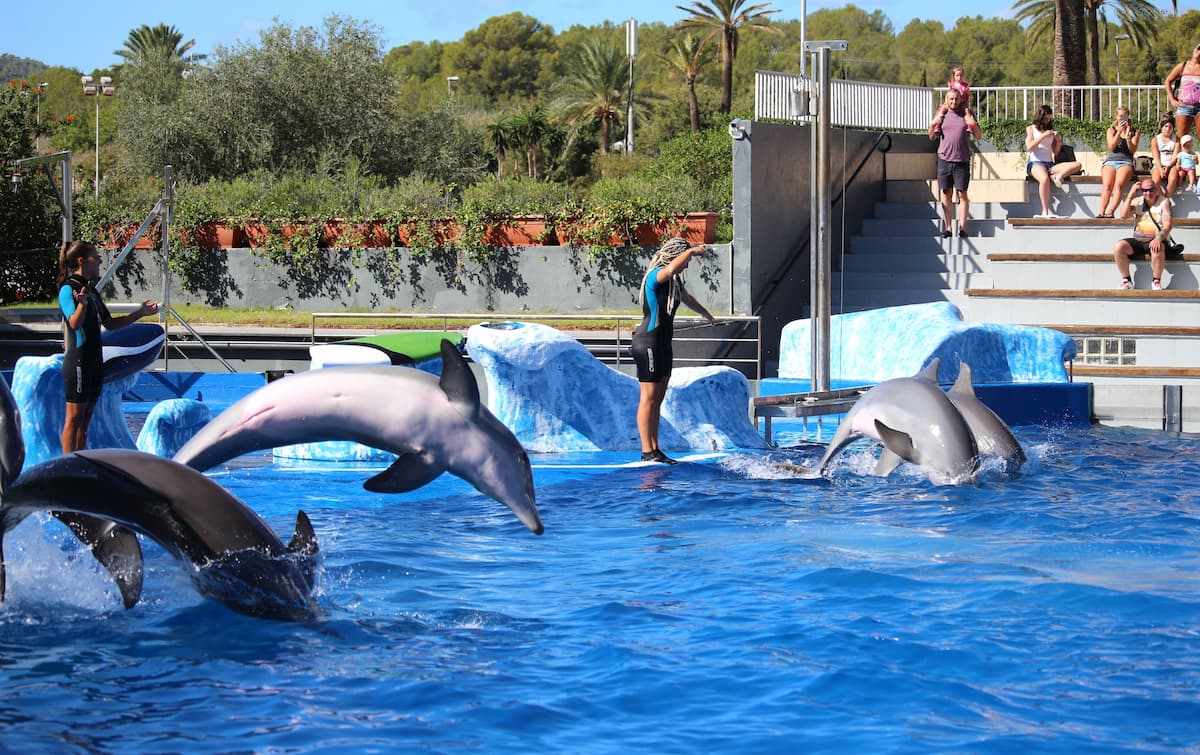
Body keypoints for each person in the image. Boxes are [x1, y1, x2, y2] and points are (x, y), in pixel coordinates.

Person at [57, 240, 159, 454]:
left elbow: (110, 323)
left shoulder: (92, 291)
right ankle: (65, 464)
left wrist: (139, 313)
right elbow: (74, 323)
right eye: (96, 257)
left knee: (85, 420)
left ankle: (79, 458)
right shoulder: (68, 289)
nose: (100, 260)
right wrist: (82, 305)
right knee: (73, 418)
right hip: (78, 361)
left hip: (95, 361)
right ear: (81, 261)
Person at [630, 237, 716, 464]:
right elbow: (670, 269)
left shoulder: (674, 284)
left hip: (663, 344)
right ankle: (647, 451)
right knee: (648, 398)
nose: (686, 265)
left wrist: (706, 314)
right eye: (684, 258)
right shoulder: (656, 276)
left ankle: (655, 449)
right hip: (647, 342)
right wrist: (693, 252)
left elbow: (687, 298)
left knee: (658, 398)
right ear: (676, 255)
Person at [929, 88, 982, 238]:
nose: (953, 102)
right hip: (944, 159)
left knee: (962, 194)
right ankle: (948, 228)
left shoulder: (967, 113)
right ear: (947, 100)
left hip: (962, 160)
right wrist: (933, 124)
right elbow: (932, 136)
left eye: (956, 99)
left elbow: (978, 136)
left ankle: (962, 228)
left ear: (961, 100)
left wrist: (973, 124)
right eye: (951, 99)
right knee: (946, 193)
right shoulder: (942, 113)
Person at [1112, 179, 1173, 291]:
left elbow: (1167, 225)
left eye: (1151, 190)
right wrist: (1130, 195)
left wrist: (1158, 238)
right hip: (1139, 240)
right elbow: (1123, 215)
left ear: (1156, 190)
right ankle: (1127, 280)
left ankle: (1156, 281)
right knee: (1119, 246)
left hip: (1156, 239)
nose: (1148, 193)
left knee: (1157, 247)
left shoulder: (1164, 202)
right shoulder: (1137, 201)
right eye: (1144, 190)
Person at [1025, 105, 1083, 218]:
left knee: (1077, 165)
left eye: (1049, 119)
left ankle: (1058, 175)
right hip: (1035, 162)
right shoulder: (1031, 129)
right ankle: (1045, 211)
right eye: (1046, 118)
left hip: (1049, 164)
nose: (1047, 121)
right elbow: (1029, 147)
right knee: (1044, 179)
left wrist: (1058, 141)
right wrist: (1043, 136)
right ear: (1040, 117)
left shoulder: (1050, 130)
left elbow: (1055, 152)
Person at [1097, 105, 1140, 218]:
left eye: (1124, 116)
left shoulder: (1134, 131)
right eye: (1120, 116)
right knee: (1107, 186)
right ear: (1116, 116)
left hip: (1125, 162)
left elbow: (1133, 150)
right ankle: (1101, 212)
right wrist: (1119, 131)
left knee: (1118, 185)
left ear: (1128, 116)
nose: (1122, 118)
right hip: (1111, 161)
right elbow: (1111, 146)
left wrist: (1128, 138)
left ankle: (1110, 212)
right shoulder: (1111, 130)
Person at [1164, 42, 1200, 144]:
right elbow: (1168, 81)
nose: (1199, 52)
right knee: (1181, 138)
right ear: (1194, 50)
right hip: (1184, 106)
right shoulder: (1183, 66)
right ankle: (1180, 159)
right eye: (1198, 49)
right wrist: (1172, 100)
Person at [1150, 116, 1180, 196]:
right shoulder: (1155, 140)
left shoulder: (1176, 139)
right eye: (1166, 126)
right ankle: (1162, 199)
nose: (1168, 129)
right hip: (1159, 164)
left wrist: (1168, 167)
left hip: (1171, 164)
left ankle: (1167, 198)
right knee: (1155, 181)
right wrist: (1160, 169)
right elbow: (1156, 157)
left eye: (1170, 127)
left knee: (1173, 179)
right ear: (1162, 127)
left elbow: (1175, 156)